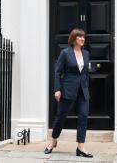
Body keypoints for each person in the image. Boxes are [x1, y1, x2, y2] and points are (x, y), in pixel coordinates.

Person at [44, 28, 93, 158]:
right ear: (73, 39)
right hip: (68, 89)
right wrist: (57, 89)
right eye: (79, 37)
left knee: (83, 117)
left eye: (83, 37)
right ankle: (53, 141)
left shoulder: (86, 54)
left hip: (83, 90)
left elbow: (85, 72)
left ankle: (81, 146)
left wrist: (87, 86)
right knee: (61, 117)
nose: (82, 39)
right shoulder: (65, 53)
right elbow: (58, 72)